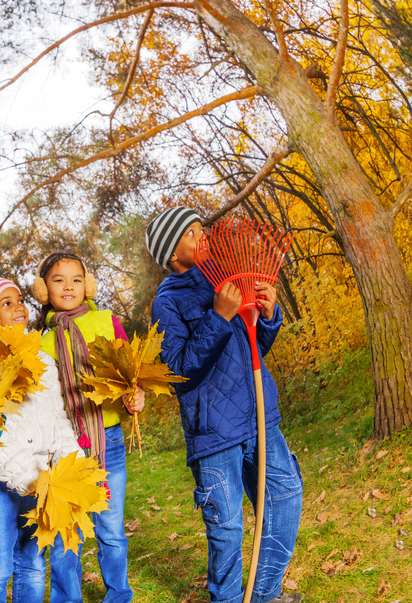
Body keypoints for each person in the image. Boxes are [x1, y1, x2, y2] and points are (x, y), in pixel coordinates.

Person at [146, 207, 303, 603]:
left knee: (285, 496)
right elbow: (179, 371)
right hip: (214, 432)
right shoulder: (167, 303)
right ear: (170, 253)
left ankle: (264, 594)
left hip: (259, 418)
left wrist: (266, 316)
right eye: (191, 233)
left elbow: (250, 351)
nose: (203, 237)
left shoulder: (225, 276)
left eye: (202, 229)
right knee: (227, 527)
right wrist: (218, 315)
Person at [35, 251, 143, 603]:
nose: (68, 286)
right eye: (58, 279)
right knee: (67, 529)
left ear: (88, 285)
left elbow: (129, 374)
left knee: (111, 528)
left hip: (107, 439)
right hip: (63, 447)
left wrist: (134, 396)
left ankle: (118, 596)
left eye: (76, 279)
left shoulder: (106, 321)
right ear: (42, 289)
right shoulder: (40, 341)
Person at [0, 277, 79, 603]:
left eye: (19, 299)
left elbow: (59, 419)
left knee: (32, 561)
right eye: (6, 303)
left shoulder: (44, 361)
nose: (18, 307)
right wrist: (25, 479)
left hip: (41, 477)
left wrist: (71, 467)